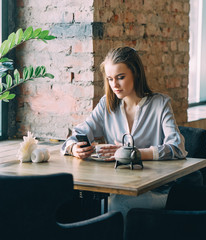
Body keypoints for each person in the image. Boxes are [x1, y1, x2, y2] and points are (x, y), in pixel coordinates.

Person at [61, 46, 188, 218]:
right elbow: (77, 133)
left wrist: (133, 154)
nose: (114, 85)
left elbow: (177, 148)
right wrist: (73, 147)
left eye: (120, 77)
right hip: (115, 187)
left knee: (117, 205)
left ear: (135, 73)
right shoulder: (107, 104)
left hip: (153, 190)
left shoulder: (160, 104)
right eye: (110, 79)